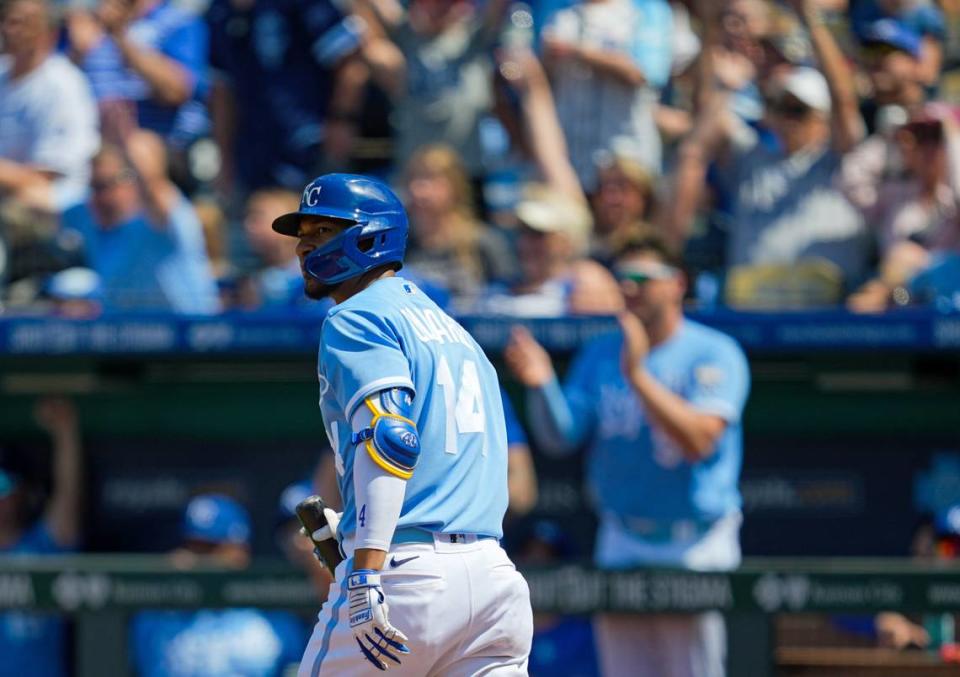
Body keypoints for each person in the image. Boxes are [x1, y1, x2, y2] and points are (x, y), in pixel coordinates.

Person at [270, 173, 532, 674]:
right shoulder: (457, 333)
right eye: (303, 234)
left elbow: (390, 439)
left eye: (322, 232)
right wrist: (350, 526)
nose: (304, 247)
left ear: (369, 235)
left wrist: (366, 568)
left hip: (405, 577)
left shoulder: (358, 316)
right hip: (495, 580)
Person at [505, 235, 750, 677]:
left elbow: (700, 441)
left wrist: (637, 375)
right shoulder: (600, 351)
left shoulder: (714, 351)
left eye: (643, 278)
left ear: (677, 283)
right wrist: (542, 383)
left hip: (695, 540)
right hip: (622, 533)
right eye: (623, 280)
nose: (630, 289)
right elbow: (562, 439)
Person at [131, 493, 308, 677]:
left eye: (211, 548)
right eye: (192, 547)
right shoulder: (159, 617)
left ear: (240, 551)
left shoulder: (274, 621)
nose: (198, 559)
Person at [61, 130, 220, 313]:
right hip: (128, 339)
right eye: (94, 187)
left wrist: (129, 143)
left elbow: (154, 184)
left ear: (133, 181)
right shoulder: (92, 225)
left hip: (189, 335)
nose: (99, 197)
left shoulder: (164, 216)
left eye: (106, 185)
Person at [0, 397, 84, 677]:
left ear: (22, 491)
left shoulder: (42, 545)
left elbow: (68, 495)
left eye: (2, 484)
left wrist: (65, 431)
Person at [0, 0, 99, 211]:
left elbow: (44, 177)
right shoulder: (2, 76)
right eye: (6, 21)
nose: (9, 29)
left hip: (56, 203)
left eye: (22, 23)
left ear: (49, 34)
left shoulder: (62, 84)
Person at [402, 144, 518, 309]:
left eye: (430, 180)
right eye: (412, 180)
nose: (418, 190)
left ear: (455, 186)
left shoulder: (483, 242)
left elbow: (506, 297)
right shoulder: (399, 245)